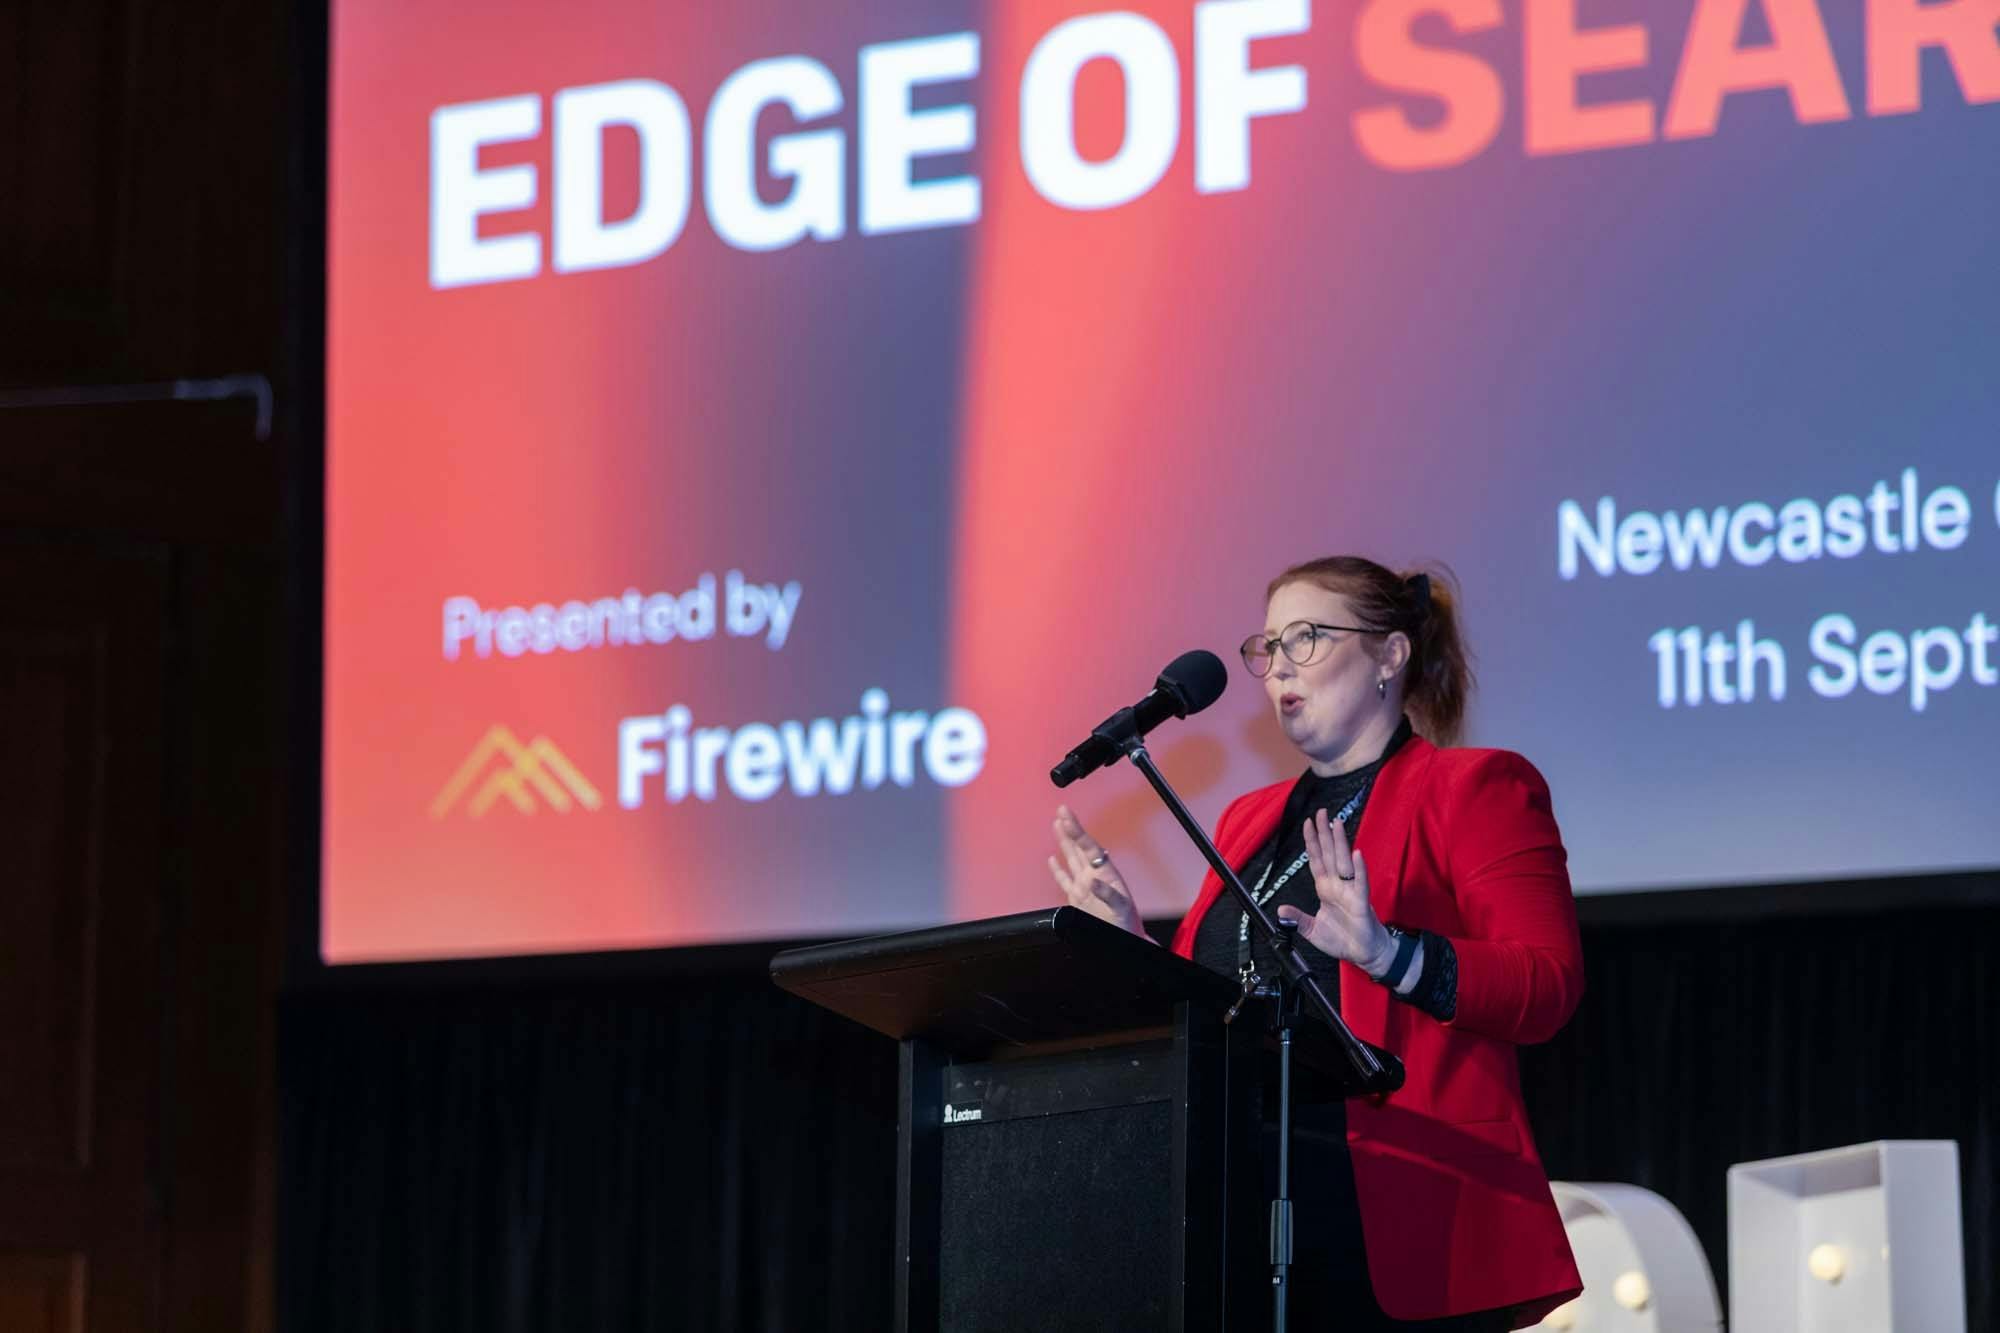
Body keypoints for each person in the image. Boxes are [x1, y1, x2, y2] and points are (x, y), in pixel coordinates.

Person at [1047, 556, 1585, 1330]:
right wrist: (1128, 940)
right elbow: (1219, 1007)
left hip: (1403, 1212)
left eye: (1306, 637)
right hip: (1241, 1202)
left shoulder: (1477, 787)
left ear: (1389, 656)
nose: (1276, 669)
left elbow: (1548, 983)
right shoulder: (1247, 820)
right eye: (1267, 647)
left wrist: (1388, 953)